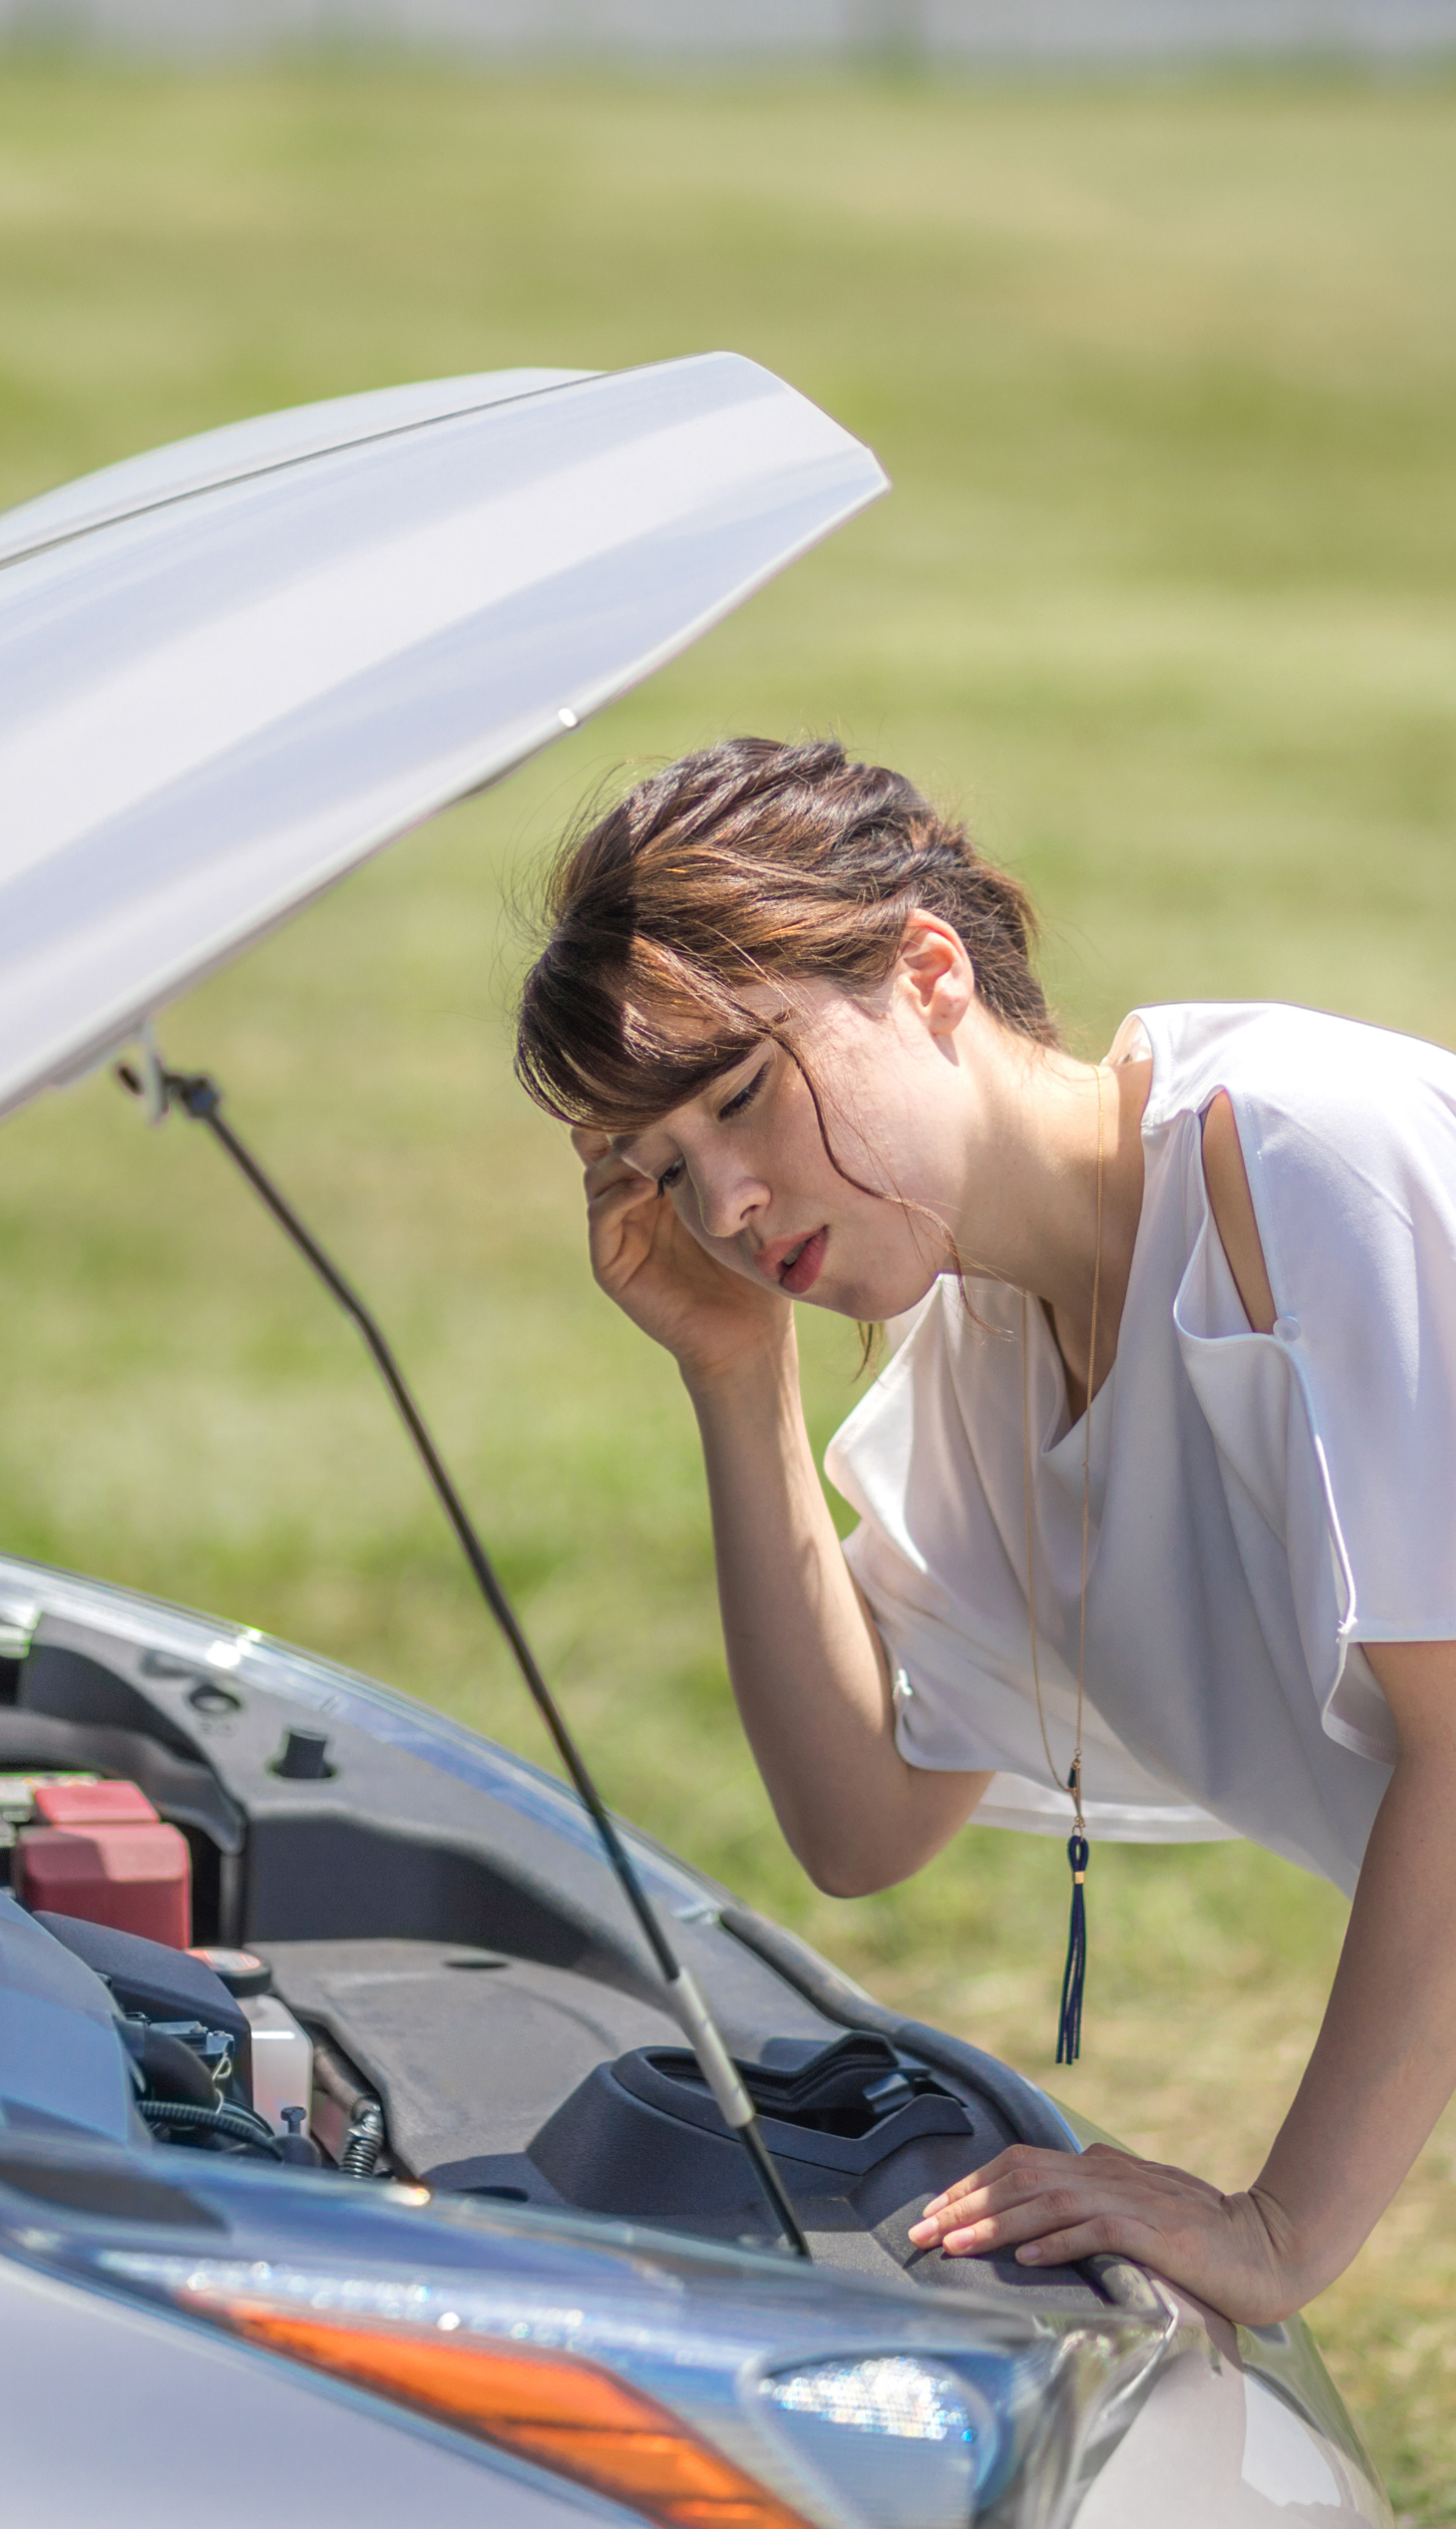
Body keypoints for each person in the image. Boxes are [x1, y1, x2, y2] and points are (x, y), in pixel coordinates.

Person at [512, 737, 1456, 2325]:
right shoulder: (984, 1355)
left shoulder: (1299, 1161)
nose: (725, 1202)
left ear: (927, 969)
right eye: (665, 1167)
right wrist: (737, 1382)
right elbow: (861, 1818)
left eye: (742, 1092)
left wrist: (1279, 2230)